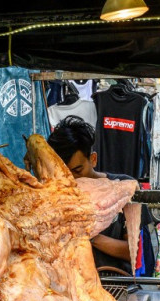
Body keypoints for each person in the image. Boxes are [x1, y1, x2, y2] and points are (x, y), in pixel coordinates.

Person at [47, 115, 154, 276]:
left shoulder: (124, 187)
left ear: (93, 159)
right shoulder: (56, 192)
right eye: (64, 174)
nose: (73, 180)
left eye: (77, 171)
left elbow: (136, 252)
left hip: (117, 285)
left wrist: (88, 235)